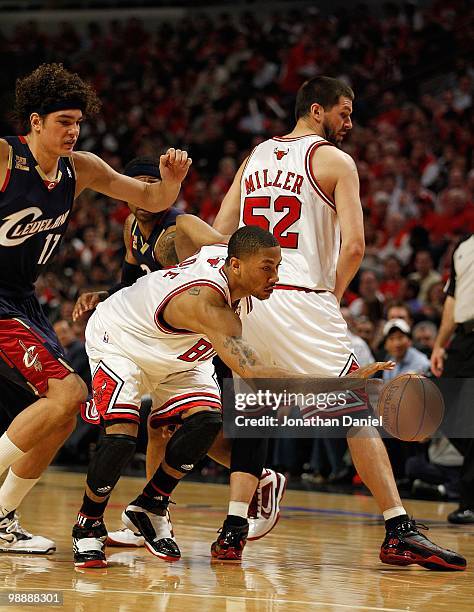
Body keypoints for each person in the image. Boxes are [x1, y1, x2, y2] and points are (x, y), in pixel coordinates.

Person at [212, 76, 466, 569]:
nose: (349, 123)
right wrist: (331, 296)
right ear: (316, 110)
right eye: (344, 113)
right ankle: (398, 527)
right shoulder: (334, 161)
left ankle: (233, 529)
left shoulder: (255, 156)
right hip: (302, 295)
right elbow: (355, 246)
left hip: (249, 296)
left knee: (255, 406)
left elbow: (220, 232)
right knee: (357, 408)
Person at [75, 225, 368, 567]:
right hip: (123, 339)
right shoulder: (212, 307)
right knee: (122, 436)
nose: (275, 276)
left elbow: (181, 225)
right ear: (236, 266)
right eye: (266, 268)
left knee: (206, 422)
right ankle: (88, 524)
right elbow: (258, 376)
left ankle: (151, 504)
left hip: (180, 350)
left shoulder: (222, 252)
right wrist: (337, 383)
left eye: (277, 266)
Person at [0, 63, 191, 552]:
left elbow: (150, 196)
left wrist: (170, 180)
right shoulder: (5, 157)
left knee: (64, 413)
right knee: (68, 394)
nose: (74, 131)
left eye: (78, 122)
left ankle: (2, 518)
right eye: (64, 121)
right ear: (35, 122)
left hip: (22, 299)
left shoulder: (79, 168)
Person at [73, 158, 286, 548]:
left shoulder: (182, 226)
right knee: (155, 428)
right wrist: (105, 297)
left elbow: (226, 252)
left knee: (203, 419)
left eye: (152, 184)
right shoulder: (132, 230)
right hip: (149, 330)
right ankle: (150, 514)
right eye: (133, 187)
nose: (142, 195)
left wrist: (258, 281)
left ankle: (236, 480)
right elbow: (131, 284)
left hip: (201, 328)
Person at [431, 234, 474, 524]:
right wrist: (438, 344)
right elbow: (452, 301)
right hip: (463, 337)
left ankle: (469, 501)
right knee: (441, 411)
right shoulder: (463, 246)